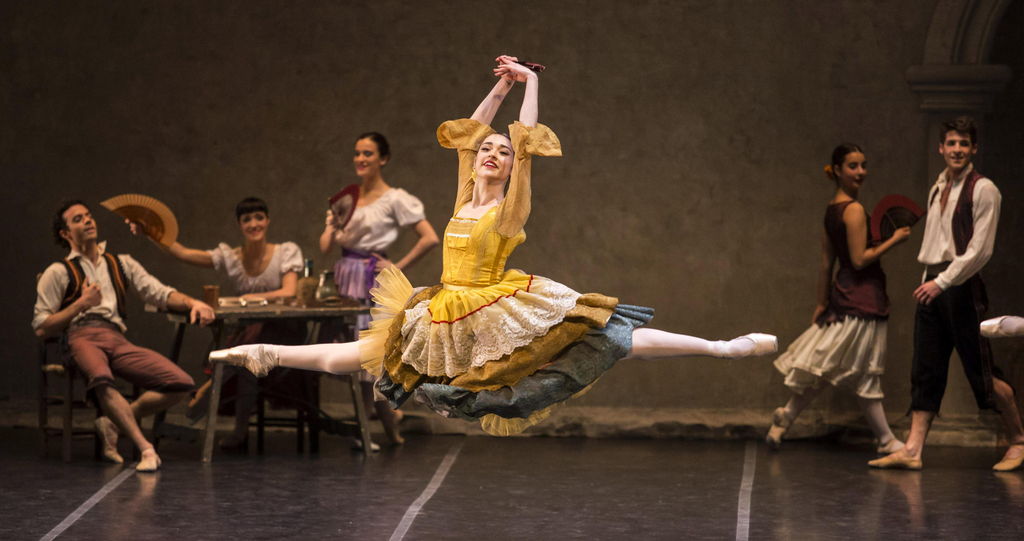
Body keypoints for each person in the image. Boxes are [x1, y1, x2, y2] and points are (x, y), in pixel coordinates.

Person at [211, 55, 777, 436]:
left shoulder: (510, 209)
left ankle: (721, 348)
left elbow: (526, 144)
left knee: (609, 336)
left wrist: (531, 85)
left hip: (494, 301)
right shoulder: (464, 195)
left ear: (509, 168)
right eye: (489, 150)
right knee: (367, 355)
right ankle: (265, 354)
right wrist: (502, 84)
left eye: (501, 153)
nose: (492, 154)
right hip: (444, 305)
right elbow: (468, 132)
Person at [869, 117, 1024, 471]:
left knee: (981, 370)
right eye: (951, 143)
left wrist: (943, 282)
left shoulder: (984, 190)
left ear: (974, 148)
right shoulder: (938, 186)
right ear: (941, 148)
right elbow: (934, 243)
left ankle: (1018, 440)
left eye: (963, 143)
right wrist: (930, 280)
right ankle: (913, 449)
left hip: (960, 285)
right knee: (926, 368)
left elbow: (980, 250)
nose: (957, 150)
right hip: (933, 284)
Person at [33, 200, 215, 471]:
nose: (88, 221)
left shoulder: (121, 263)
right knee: (102, 378)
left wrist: (192, 303)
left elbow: (159, 292)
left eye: (89, 216)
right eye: (78, 219)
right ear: (65, 233)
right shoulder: (57, 272)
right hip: (80, 336)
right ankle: (146, 449)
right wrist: (81, 304)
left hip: (115, 337)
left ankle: (113, 422)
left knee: (180, 383)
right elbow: (41, 327)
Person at [131, 197, 307, 451]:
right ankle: (238, 430)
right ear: (240, 225)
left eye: (259, 218)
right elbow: (184, 253)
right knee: (246, 359)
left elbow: (289, 291)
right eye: (247, 219)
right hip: (248, 332)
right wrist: (151, 232)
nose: (254, 224)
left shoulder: (285, 252)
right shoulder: (232, 257)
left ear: (268, 220)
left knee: (246, 347)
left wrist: (251, 298)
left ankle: (211, 387)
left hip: (283, 330)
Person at [765, 144, 910, 453]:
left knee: (825, 366)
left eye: (863, 165)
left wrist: (821, 302)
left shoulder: (832, 210)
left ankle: (787, 416)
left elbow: (825, 264)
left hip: (845, 297)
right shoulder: (853, 209)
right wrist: (895, 240)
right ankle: (886, 440)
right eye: (853, 166)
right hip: (862, 300)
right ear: (838, 171)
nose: (861, 172)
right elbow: (859, 260)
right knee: (864, 372)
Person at [319, 133, 439, 444]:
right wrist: (332, 225)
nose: (361, 159)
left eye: (368, 153)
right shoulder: (347, 199)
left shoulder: (393, 198)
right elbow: (325, 246)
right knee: (352, 355)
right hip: (346, 279)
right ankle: (389, 425)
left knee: (368, 358)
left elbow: (430, 237)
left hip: (370, 281)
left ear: (383, 159)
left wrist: (396, 266)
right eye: (357, 153)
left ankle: (374, 428)